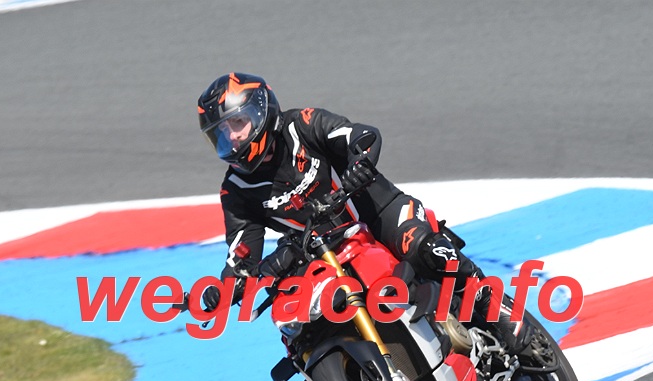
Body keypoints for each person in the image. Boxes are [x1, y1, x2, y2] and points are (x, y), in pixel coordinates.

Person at [196, 72, 531, 352]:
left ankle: (494, 306)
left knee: (426, 249)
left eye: (237, 123)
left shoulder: (303, 124)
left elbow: (361, 136)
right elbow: (242, 255)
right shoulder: (236, 190)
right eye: (221, 133)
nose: (232, 137)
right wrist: (223, 290)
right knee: (298, 331)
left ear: (260, 112)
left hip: (375, 211)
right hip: (324, 250)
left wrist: (360, 165)